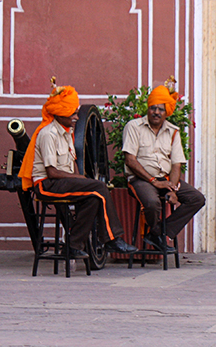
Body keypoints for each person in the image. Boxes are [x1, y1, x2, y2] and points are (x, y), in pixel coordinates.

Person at [19, 80, 137, 256]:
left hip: (60, 182)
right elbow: (51, 172)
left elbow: (71, 165)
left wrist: (79, 180)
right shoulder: (48, 134)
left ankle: (73, 246)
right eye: (73, 114)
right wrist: (80, 179)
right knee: (98, 187)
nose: (76, 118)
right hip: (46, 185)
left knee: (93, 199)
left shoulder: (67, 133)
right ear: (61, 113)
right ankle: (112, 240)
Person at [122, 81, 205, 252]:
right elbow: (130, 160)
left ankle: (158, 233)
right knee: (152, 203)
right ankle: (157, 234)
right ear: (148, 108)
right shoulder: (133, 127)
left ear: (167, 112)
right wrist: (154, 181)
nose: (156, 112)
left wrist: (172, 190)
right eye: (153, 108)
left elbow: (176, 164)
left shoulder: (173, 131)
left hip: (166, 179)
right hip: (141, 180)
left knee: (197, 198)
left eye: (161, 109)